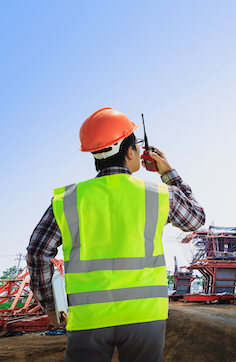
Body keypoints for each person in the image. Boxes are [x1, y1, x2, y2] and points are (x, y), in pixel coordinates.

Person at [26, 107, 205, 362]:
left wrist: (52, 307)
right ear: (130, 150)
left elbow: (37, 252)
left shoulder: (67, 200)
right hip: (145, 317)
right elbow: (196, 219)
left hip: (88, 319)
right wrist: (168, 172)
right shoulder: (159, 194)